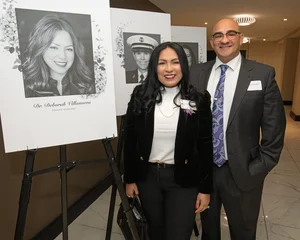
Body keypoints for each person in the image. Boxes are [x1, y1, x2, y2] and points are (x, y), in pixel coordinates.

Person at [190, 18, 286, 240]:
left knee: (243, 232)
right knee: (208, 230)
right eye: (218, 35)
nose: (224, 39)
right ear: (212, 42)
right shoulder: (195, 74)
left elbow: (275, 129)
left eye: (231, 33)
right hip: (204, 172)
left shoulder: (263, 74)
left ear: (241, 38)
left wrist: (258, 168)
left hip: (244, 171)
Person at [123, 41, 213, 240]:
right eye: (162, 63)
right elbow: (130, 140)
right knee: (154, 232)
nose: (169, 69)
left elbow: (205, 144)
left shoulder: (199, 98)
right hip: (148, 178)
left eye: (175, 62)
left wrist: (206, 189)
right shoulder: (140, 95)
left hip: (184, 180)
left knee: (179, 234)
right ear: (154, 67)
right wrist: (129, 178)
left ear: (184, 65)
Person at [22, 14, 95, 98]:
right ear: (40, 49)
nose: (62, 56)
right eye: (54, 47)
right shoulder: (26, 89)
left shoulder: (88, 86)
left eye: (68, 49)